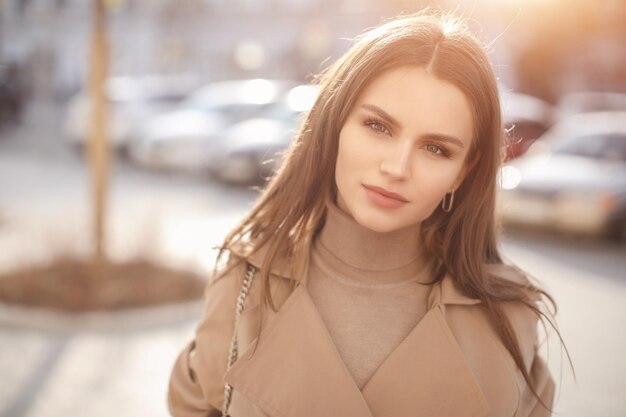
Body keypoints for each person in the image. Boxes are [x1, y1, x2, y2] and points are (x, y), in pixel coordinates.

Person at [168, 11, 558, 417]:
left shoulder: (510, 318)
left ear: (463, 172)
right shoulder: (244, 284)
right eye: (378, 126)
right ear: (334, 123)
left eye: (435, 148)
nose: (397, 167)